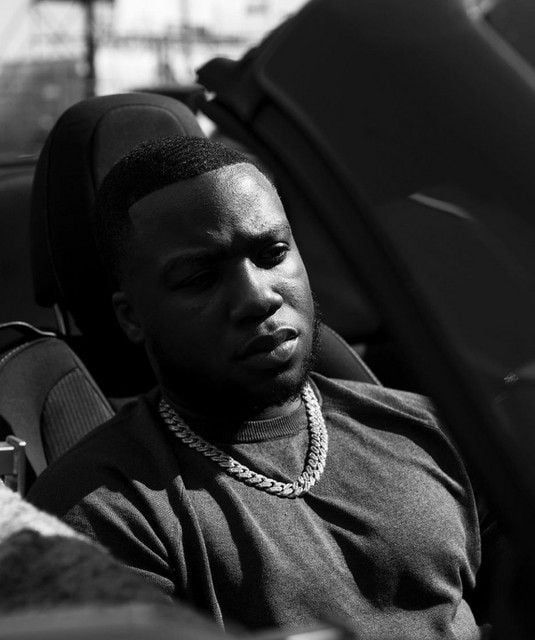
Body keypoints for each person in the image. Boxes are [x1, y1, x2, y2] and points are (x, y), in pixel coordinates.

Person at [28, 136, 494, 638]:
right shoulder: (100, 513)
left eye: (272, 253)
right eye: (200, 278)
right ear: (131, 317)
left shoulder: (428, 429)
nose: (257, 297)